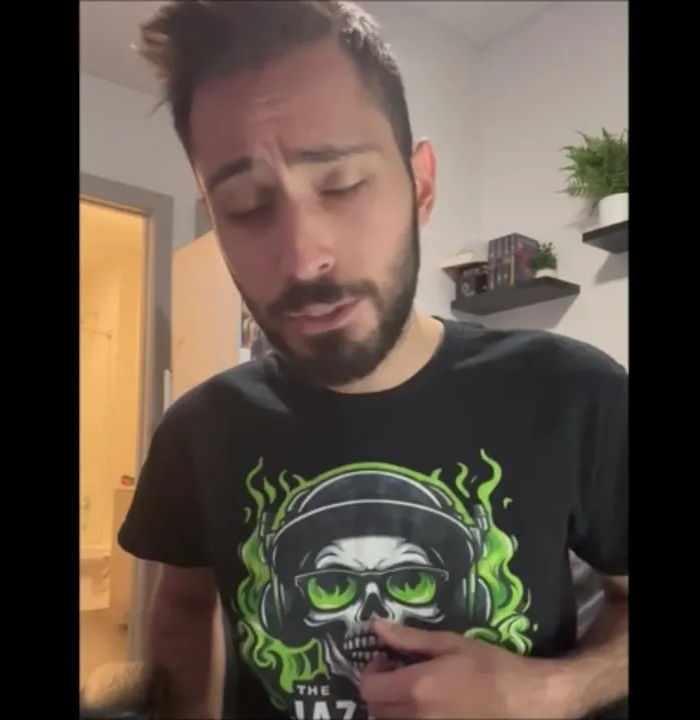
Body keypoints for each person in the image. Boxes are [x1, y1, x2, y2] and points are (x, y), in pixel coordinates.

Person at [117, 2, 628, 718]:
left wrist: (550, 691)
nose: (304, 256)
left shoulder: (576, 394)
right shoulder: (197, 431)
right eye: (246, 205)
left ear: (421, 185)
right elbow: (180, 610)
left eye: (342, 186)